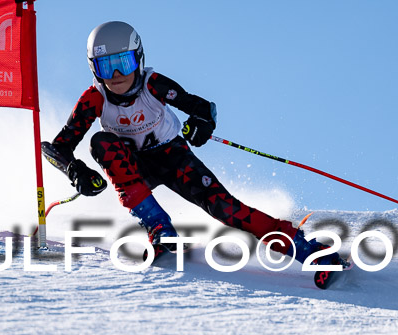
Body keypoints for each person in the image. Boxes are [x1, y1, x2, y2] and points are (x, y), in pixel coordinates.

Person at [44, 21, 341, 266]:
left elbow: (201, 107)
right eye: (107, 67)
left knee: (226, 209)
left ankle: (308, 252)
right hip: (132, 168)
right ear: (94, 68)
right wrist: (76, 171)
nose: (118, 75)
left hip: (173, 158)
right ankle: (160, 229)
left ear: (139, 58)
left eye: (124, 62)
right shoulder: (94, 99)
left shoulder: (153, 84)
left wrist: (202, 125)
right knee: (101, 142)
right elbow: (55, 148)